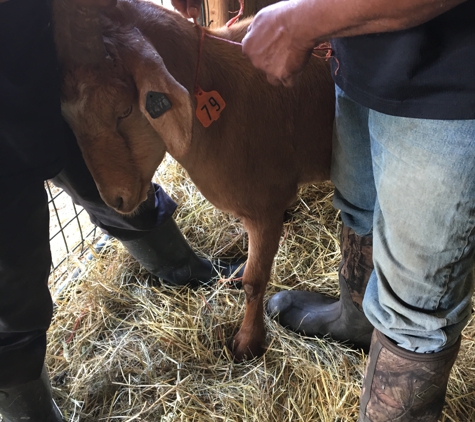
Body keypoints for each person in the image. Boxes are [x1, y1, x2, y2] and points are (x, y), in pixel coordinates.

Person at [0, 1, 242, 420]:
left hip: (47, 52)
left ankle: (180, 268)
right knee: (9, 263)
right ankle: (29, 409)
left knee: (111, 176)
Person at [236, 0, 475, 420]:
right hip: (365, 52)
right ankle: (358, 323)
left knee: (417, 306)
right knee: (359, 207)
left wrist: (301, 21)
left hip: (453, 83)